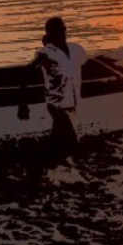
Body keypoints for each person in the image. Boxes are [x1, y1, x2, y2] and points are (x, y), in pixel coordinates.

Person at [30, 17, 88, 167]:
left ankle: (45, 161)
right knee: (72, 140)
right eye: (59, 31)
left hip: (73, 101)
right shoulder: (45, 53)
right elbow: (30, 70)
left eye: (63, 29)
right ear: (51, 33)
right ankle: (68, 162)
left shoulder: (76, 49)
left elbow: (86, 64)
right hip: (56, 104)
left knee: (56, 138)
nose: (63, 33)